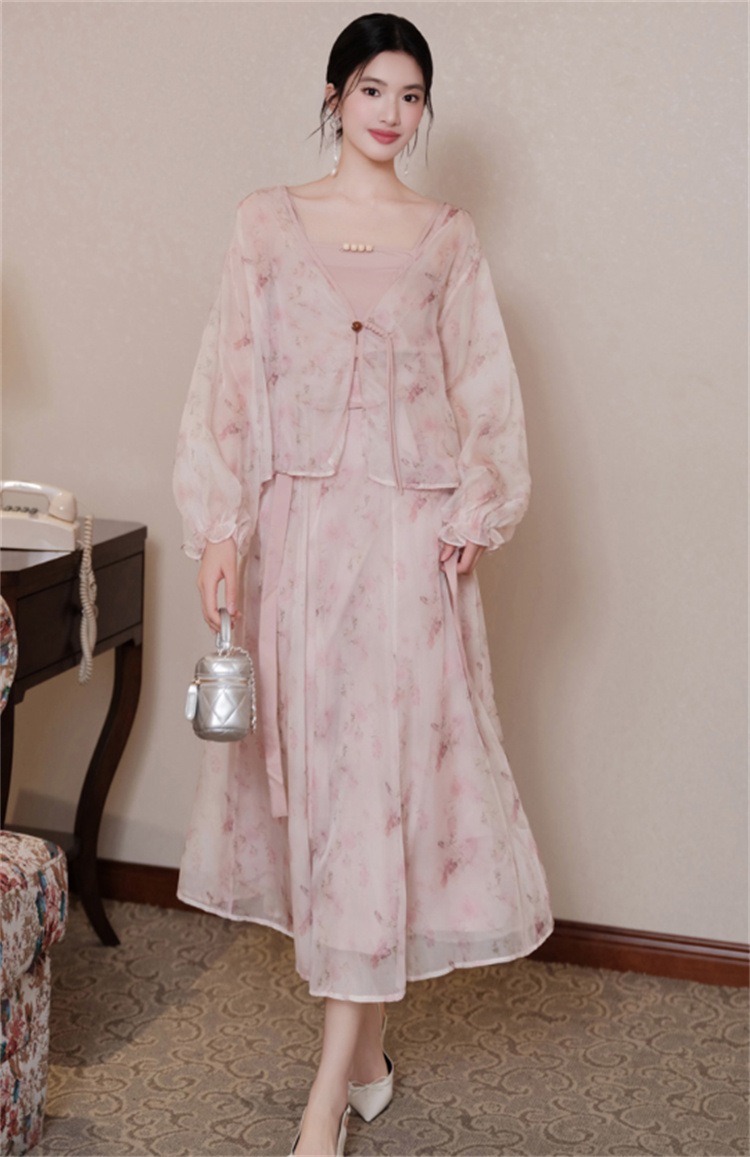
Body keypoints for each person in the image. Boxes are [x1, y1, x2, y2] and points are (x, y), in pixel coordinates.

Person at [173, 12, 553, 1156]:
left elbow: (485, 386)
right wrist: (221, 530)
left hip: (408, 558)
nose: (393, 112)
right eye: (374, 89)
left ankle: (322, 1102)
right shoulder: (263, 225)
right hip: (298, 553)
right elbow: (228, 383)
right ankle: (371, 1057)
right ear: (336, 95)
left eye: (412, 94)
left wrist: (478, 506)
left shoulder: (447, 238)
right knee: (332, 803)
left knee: (379, 797)